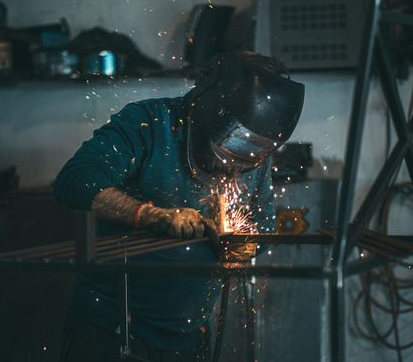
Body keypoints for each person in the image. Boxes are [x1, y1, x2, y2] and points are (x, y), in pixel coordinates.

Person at [53, 50, 305, 361]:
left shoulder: (254, 156)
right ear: (213, 107)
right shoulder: (148, 124)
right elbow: (74, 180)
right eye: (229, 147)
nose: (233, 166)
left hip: (188, 337)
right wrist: (147, 215)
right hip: (111, 332)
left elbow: (264, 223)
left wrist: (248, 244)